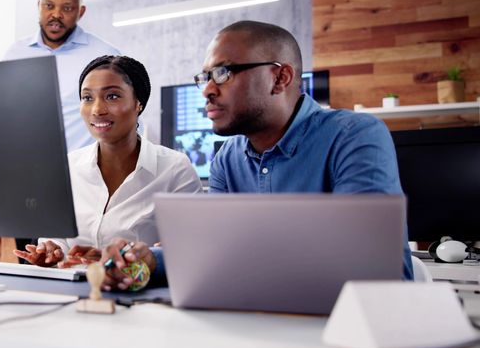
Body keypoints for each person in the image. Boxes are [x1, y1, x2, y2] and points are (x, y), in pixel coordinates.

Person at [101, 20, 413, 291]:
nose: (207, 90)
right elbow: (216, 251)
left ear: (280, 78)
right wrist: (147, 259)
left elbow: (369, 266)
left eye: (223, 73)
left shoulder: (353, 135)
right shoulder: (227, 160)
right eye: (205, 77)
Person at [14, 55, 202, 267]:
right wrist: (51, 250)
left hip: (139, 295)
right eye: (87, 98)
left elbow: (191, 251)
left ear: (138, 103)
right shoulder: (68, 167)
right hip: (74, 292)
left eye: (112, 96)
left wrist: (138, 260)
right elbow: (58, 239)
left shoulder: (175, 169)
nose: (97, 110)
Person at [3, 0, 120, 152]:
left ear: (80, 12)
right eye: (49, 6)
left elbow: (128, 121)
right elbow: (2, 112)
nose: (56, 14)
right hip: (23, 163)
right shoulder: (15, 53)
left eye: (67, 8)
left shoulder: (105, 57)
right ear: (39, 6)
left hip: (84, 173)